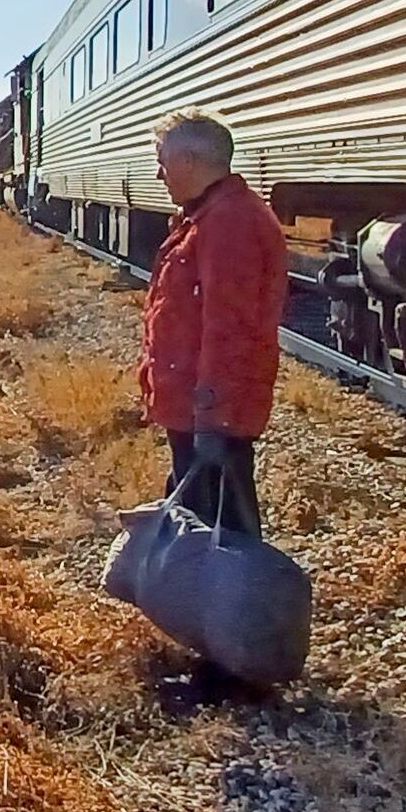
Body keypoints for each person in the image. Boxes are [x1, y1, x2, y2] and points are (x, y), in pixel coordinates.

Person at [140, 111, 287, 540]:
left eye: (163, 162)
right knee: (202, 529)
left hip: (210, 414)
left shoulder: (230, 224)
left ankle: (238, 588)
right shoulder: (208, 217)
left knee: (222, 539)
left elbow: (232, 329)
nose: (159, 174)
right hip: (196, 408)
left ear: (188, 161)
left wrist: (213, 420)